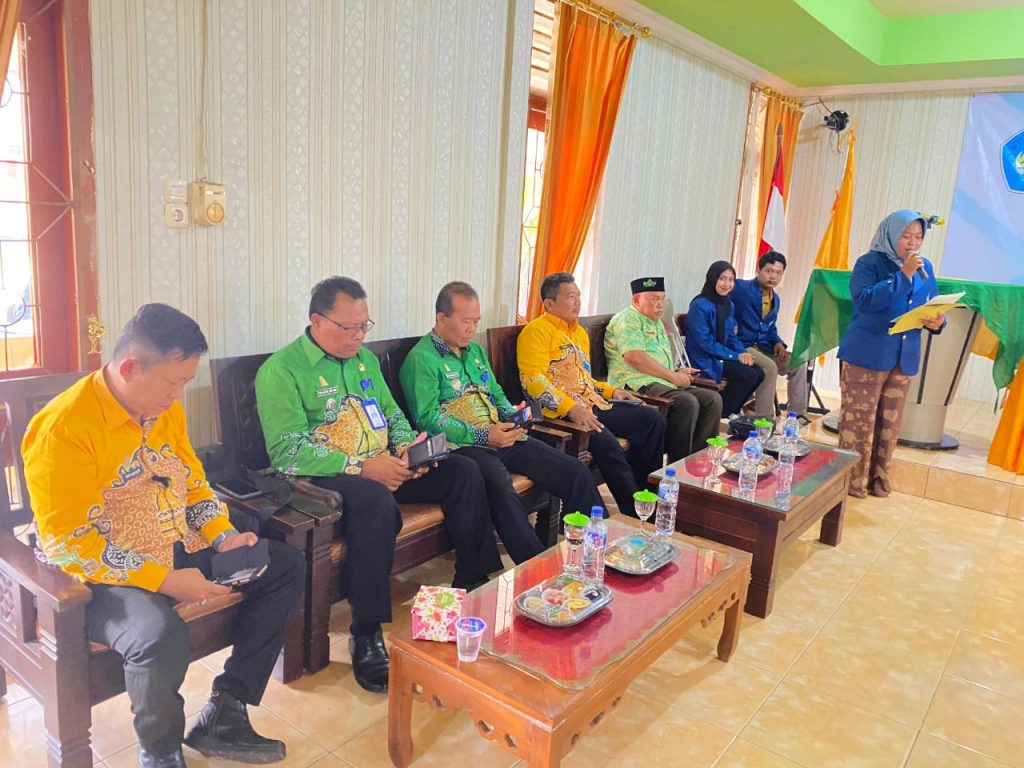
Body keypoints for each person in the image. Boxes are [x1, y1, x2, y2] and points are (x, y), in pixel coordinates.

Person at [23, 304, 305, 768]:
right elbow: (70, 542)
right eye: (172, 383)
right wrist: (166, 580)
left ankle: (226, 711)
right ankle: (160, 752)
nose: (178, 396)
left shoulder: (163, 409)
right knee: (157, 634)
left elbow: (192, 484)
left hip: (172, 541)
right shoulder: (64, 428)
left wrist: (222, 536)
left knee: (283, 565)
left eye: (184, 383)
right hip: (96, 575)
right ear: (129, 368)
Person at [255, 277, 502, 693]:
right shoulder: (282, 370)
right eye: (348, 327)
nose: (358, 336)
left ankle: (472, 581)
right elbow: (286, 452)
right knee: (375, 502)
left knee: (462, 470)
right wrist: (362, 467)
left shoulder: (364, 361)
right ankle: (366, 632)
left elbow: (391, 414)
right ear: (317, 321)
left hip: (380, 464)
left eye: (364, 326)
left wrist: (407, 448)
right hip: (322, 479)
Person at [399, 281, 604, 562]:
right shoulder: (421, 359)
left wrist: (514, 415)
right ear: (442, 318)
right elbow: (428, 419)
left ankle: (595, 553)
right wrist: (484, 436)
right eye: (466, 321)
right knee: (500, 487)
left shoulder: (474, 352)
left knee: (573, 471)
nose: (472, 328)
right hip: (465, 447)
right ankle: (535, 567)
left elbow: (495, 393)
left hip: (502, 435)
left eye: (476, 321)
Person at [516, 272, 666, 517]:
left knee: (651, 420)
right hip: (560, 414)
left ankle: (646, 496)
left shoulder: (579, 333)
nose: (577, 302)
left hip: (592, 404)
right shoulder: (536, 332)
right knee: (608, 444)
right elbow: (533, 382)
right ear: (549, 304)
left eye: (578, 296)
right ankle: (634, 514)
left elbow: (584, 380)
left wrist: (613, 391)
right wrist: (570, 408)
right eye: (570, 297)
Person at [838, 210, 944, 498]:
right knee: (859, 423)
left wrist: (937, 321)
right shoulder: (869, 263)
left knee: (889, 424)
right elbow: (865, 302)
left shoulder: (925, 267)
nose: (913, 243)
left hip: (903, 355)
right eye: (906, 236)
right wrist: (903, 275)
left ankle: (878, 480)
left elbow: (931, 302)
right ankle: (851, 484)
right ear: (890, 234)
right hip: (867, 354)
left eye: (918, 237)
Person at [605, 276, 723, 462]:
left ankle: (698, 462)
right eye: (654, 299)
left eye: (662, 299)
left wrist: (676, 373)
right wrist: (672, 376)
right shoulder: (628, 319)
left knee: (712, 399)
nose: (660, 305)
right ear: (636, 300)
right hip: (634, 383)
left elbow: (657, 360)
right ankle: (676, 468)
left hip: (661, 381)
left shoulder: (656, 321)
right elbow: (634, 356)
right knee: (686, 402)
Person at [732, 251, 809, 418]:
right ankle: (764, 418)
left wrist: (778, 343)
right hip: (743, 346)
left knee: (798, 363)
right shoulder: (741, 289)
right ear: (758, 270)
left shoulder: (776, 299)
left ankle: (797, 415)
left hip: (764, 347)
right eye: (769, 271)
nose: (773, 276)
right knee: (770, 367)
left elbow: (770, 327)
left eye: (778, 273)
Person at [685, 261, 765, 418]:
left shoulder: (728, 304)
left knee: (759, 372)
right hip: (704, 358)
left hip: (720, 355)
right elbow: (705, 343)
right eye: (722, 279)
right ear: (712, 278)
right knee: (747, 375)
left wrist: (742, 353)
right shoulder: (699, 305)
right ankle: (720, 414)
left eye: (731, 279)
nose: (727, 284)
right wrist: (735, 356)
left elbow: (731, 336)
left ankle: (732, 410)